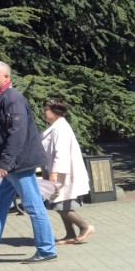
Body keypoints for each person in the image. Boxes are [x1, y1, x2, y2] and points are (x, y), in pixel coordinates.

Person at [0, 61, 57, 265]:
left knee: (33, 206)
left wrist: (5, 163)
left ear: (6, 77)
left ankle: (47, 250)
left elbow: (17, 134)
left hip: (18, 164)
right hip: (9, 165)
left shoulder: (12, 98)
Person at [40, 99, 95, 244]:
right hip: (57, 171)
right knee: (62, 204)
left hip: (62, 173)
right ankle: (70, 234)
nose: (43, 112)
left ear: (55, 111)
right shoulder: (55, 126)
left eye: (46, 109)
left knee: (60, 205)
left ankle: (85, 227)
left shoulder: (60, 128)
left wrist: (54, 173)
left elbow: (61, 153)